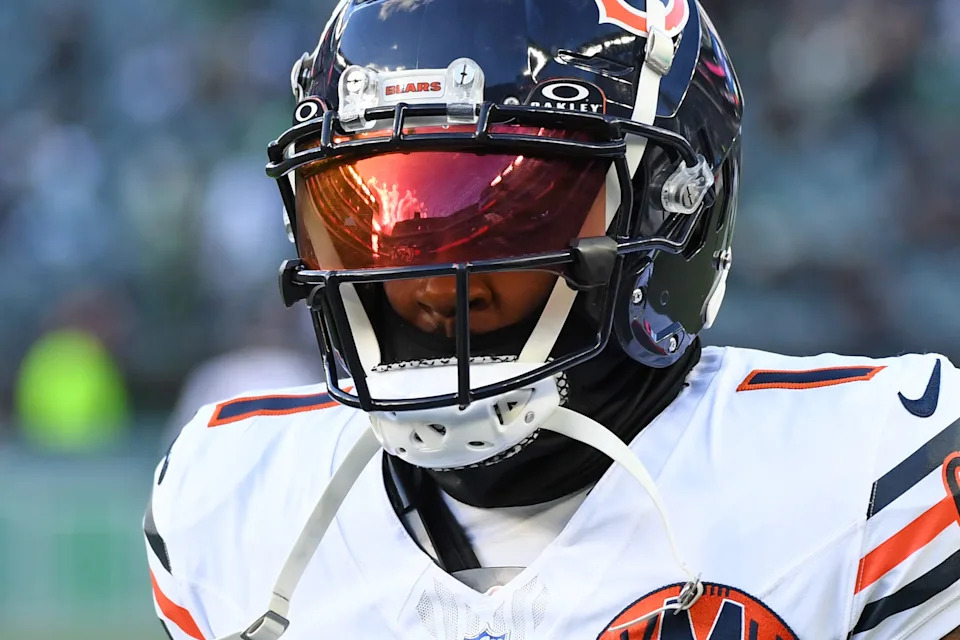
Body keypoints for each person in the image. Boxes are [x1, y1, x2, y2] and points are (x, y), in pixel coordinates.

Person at [144, 1, 960, 638]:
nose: (433, 281)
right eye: (371, 220)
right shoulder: (232, 500)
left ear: (671, 212)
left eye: (512, 216)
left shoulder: (877, 473)